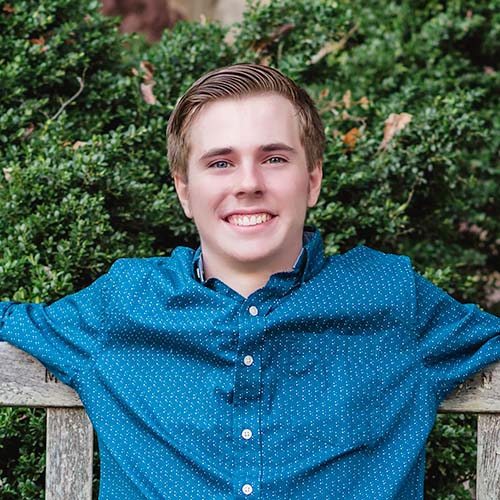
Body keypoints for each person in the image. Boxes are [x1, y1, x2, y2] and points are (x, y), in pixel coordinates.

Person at [1, 63, 499, 499]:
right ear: (184, 191)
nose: (248, 184)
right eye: (220, 163)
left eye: (274, 158)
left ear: (312, 180)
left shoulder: (390, 298)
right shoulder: (124, 304)